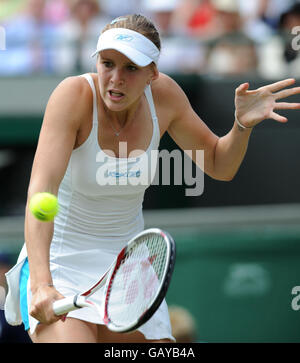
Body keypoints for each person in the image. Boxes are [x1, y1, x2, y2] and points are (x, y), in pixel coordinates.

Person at [4, 13, 300, 343]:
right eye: (107, 63)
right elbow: (41, 192)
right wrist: (42, 283)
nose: (115, 78)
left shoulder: (166, 97)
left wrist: (241, 126)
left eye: (131, 68)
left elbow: (219, 164)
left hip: (125, 272)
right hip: (59, 265)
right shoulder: (72, 96)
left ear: (152, 73)